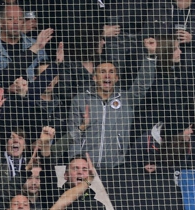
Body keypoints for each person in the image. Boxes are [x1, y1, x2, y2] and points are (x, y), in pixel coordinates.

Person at [67, 37, 157, 168]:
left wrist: (151, 56)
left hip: (114, 167)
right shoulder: (80, 100)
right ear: (94, 78)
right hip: (85, 168)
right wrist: (76, 165)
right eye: (102, 72)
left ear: (116, 78)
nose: (107, 76)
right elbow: (73, 133)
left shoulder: (126, 100)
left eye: (111, 72)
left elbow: (142, 85)